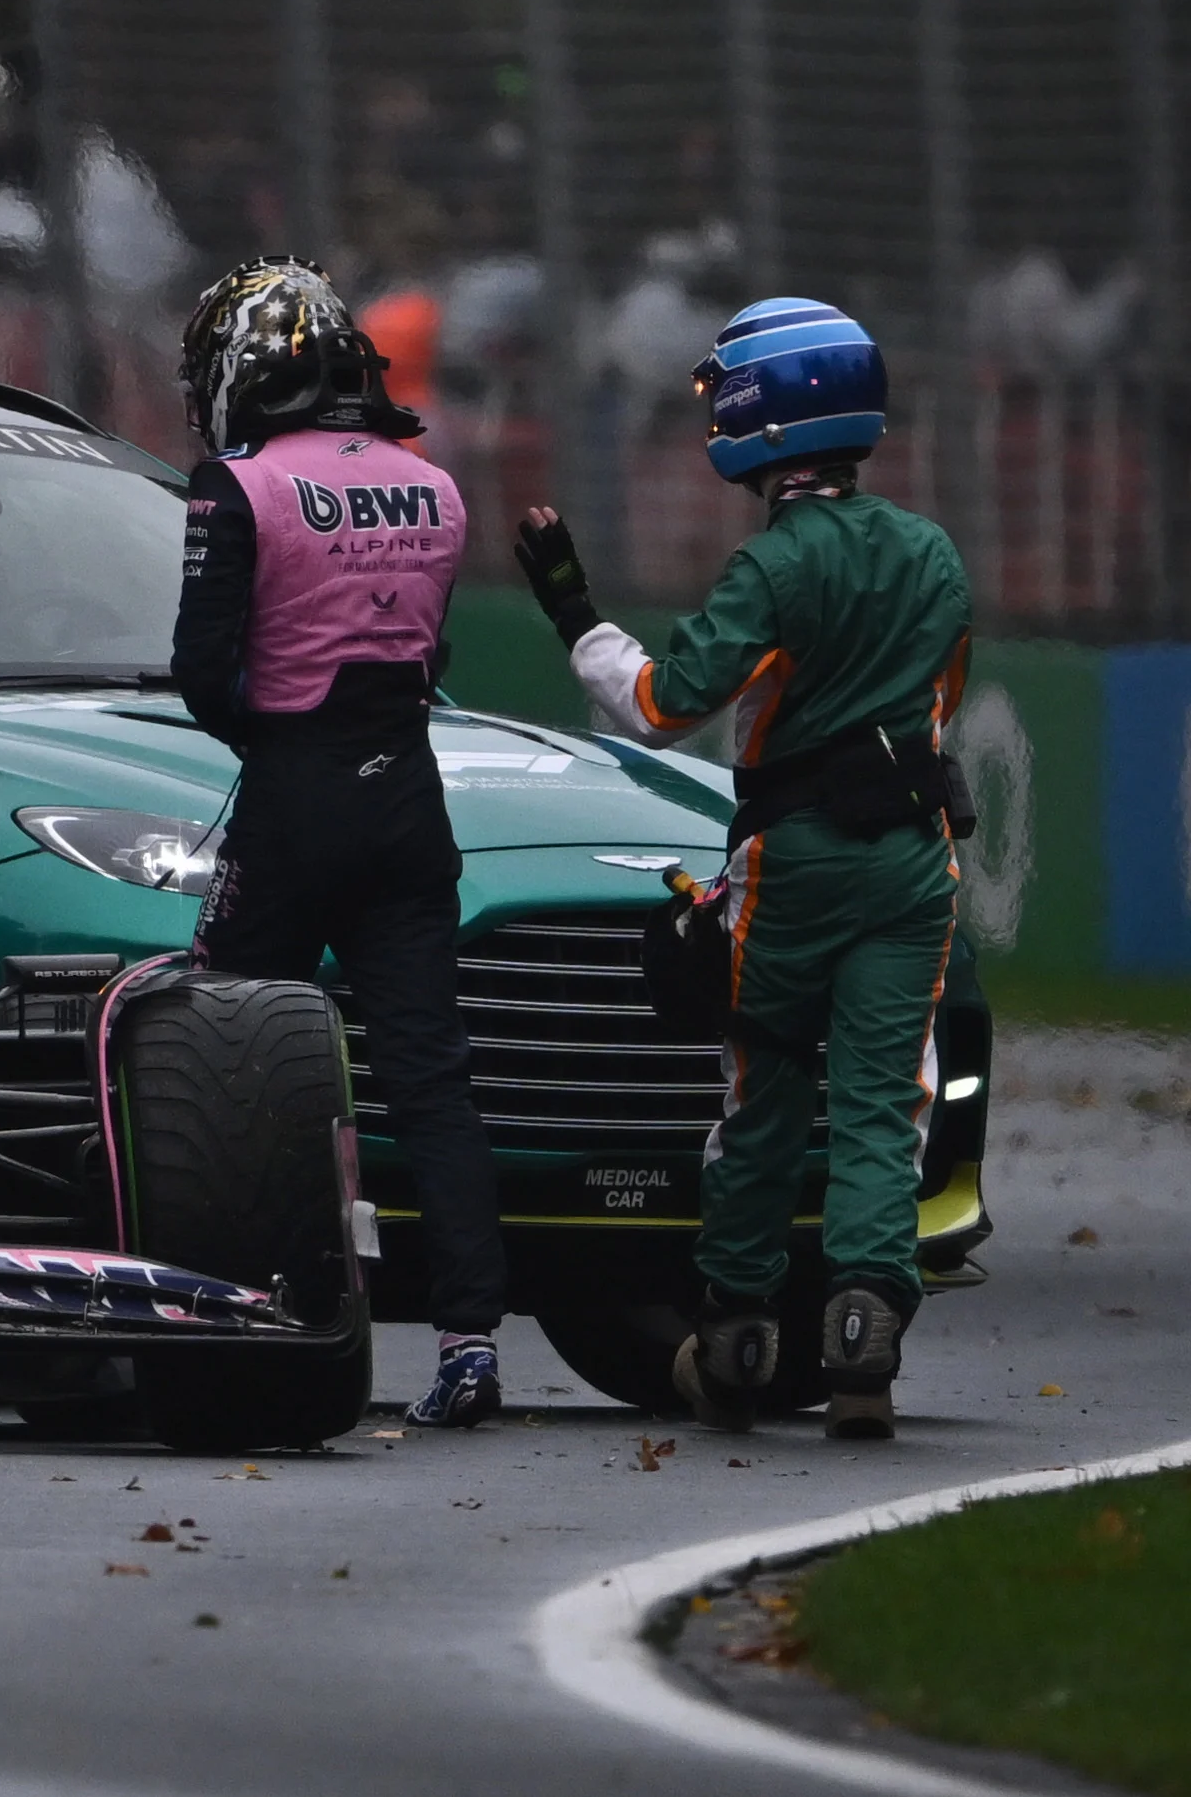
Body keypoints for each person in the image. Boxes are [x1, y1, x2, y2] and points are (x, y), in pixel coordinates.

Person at [511, 297, 969, 1440]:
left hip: (793, 864)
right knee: (882, 1101)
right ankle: (864, 1329)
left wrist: (573, 611)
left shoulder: (772, 566)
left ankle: (735, 1335)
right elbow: (942, 699)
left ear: (766, 415)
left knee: (764, 1096)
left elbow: (658, 705)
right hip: (914, 860)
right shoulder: (932, 553)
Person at [169, 257, 509, 1430]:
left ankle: (229, 1308)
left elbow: (201, 672)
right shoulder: (434, 486)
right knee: (431, 1079)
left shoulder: (236, 485)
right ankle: (470, 1342)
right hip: (408, 798)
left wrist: (274, 739)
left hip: (294, 797)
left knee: (219, 1054)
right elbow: (429, 655)